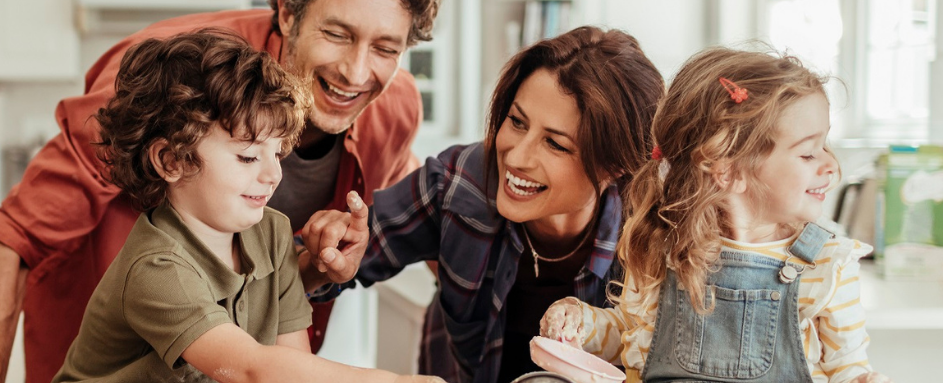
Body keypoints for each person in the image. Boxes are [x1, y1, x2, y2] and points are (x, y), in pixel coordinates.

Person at [0, 1, 439, 382]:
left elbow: (276, 363)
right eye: (337, 33)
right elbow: (12, 239)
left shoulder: (389, 109)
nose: (357, 73)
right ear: (289, 12)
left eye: (385, 48)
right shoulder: (177, 81)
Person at [299, 26, 665, 382]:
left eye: (555, 144)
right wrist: (324, 258)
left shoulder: (654, 236)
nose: (516, 157)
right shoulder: (459, 182)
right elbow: (311, 268)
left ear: (615, 165)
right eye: (517, 122)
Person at [539, 47, 893, 383]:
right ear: (729, 171)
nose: (832, 166)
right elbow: (627, 334)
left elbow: (848, 367)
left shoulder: (829, 265)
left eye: (825, 146)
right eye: (808, 154)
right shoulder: (665, 248)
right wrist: (582, 323)